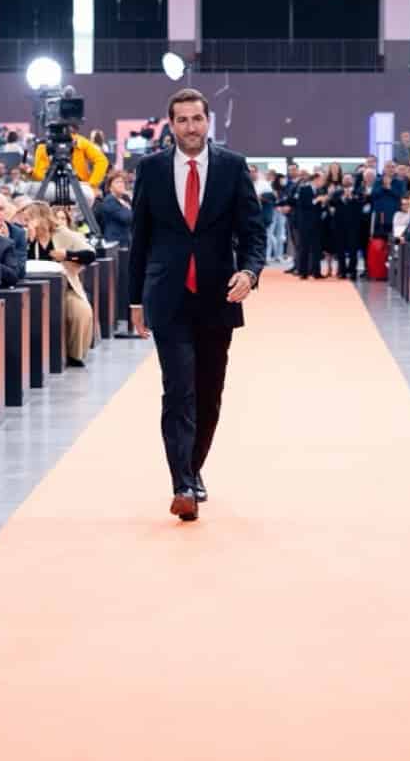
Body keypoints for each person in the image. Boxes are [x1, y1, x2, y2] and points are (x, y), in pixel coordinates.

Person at [128, 87, 265, 522]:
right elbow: (140, 239)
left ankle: (194, 467)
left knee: (209, 392)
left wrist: (249, 273)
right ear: (171, 125)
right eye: (182, 120)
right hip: (166, 295)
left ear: (209, 122)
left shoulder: (232, 167)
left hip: (217, 295)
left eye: (197, 119)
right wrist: (134, 300)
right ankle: (181, 483)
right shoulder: (149, 170)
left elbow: (253, 233)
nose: (190, 127)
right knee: (179, 389)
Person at [22, 201, 97, 366]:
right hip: (29, 288)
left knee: (81, 311)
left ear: (41, 218)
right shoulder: (23, 235)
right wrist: (26, 240)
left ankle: (75, 354)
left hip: (64, 288)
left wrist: (68, 255)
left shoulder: (62, 233)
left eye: (29, 219)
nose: (26, 223)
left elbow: (90, 255)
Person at [32, 130, 109, 193]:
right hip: (53, 188)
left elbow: (102, 161)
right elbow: (39, 175)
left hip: (80, 187)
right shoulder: (43, 147)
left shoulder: (80, 142)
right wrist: (30, 172)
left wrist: (92, 185)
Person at [95, 171, 134, 247]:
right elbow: (127, 218)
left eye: (122, 182)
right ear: (110, 187)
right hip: (115, 242)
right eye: (117, 182)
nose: (121, 184)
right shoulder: (109, 201)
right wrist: (130, 208)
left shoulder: (125, 200)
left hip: (126, 242)